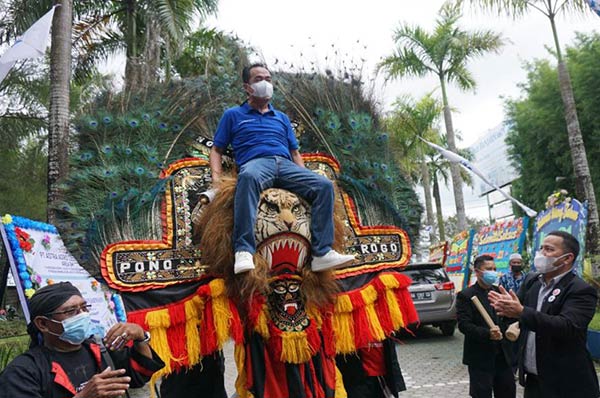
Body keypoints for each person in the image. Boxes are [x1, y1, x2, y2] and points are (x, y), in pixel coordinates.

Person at [209, 63, 355, 274]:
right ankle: (243, 250)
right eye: (259, 79)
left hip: (285, 164)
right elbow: (216, 149)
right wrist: (216, 179)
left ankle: (322, 253)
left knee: (324, 185)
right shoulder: (233, 115)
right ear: (247, 87)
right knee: (248, 177)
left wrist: (304, 176)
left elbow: (295, 153)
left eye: (268, 79)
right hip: (256, 163)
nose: (265, 84)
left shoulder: (282, 118)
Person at [0, 282, 164, 398]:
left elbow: (140, 374)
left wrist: (141, 337)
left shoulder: (101, 349)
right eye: (71, 311)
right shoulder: (23, 372)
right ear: (43, 324)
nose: (83, 315)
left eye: (84, 308)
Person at [489, 231, 600, 398]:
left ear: (567, 258)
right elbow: (517, 314)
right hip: (534, 380)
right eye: (541, 248)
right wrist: (505, 308)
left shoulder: (581, 290)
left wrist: (521, 312)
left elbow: (567, 326)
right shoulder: (532, 281)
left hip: (568, 383)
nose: (541, 254)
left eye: (548, 249)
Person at [456, 255, 516, 398]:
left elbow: (509, 318)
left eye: (494, 269)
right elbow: (464, 325)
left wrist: (513, 327)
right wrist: (487, 333)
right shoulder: (466, 295)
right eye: (489, 269)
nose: (493, 272)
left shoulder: (499, 292)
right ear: (477, 272)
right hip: (480, 357)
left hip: (503, 355)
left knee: (507, 392)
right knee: (481, 394)